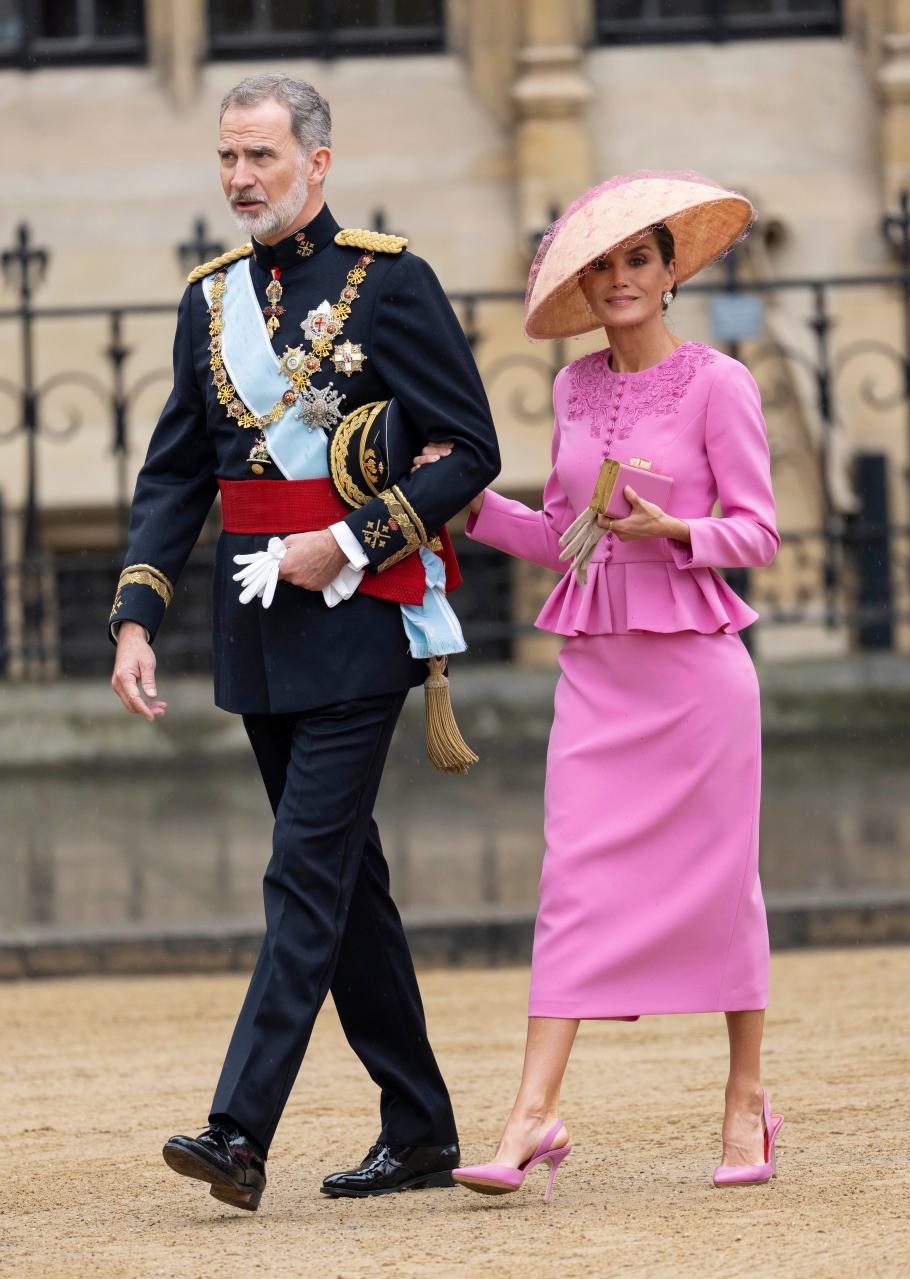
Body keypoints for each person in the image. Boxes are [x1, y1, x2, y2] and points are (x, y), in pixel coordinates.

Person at [108, 73, 499, 1210]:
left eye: (261, 159)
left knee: (300, 874)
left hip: (359, 621)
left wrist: (359, 539)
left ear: (317, 163)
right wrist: (137, 611)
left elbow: (468, 446)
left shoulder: (394, 284)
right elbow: (178, 472)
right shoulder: (210, 299)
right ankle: (420, 1127)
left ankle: (239, 1128)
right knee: (344, 884)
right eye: (227, 159)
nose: (240, 180)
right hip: (257, 631)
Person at [417, 172, 783, 1197]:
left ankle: (745, 1099)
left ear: (671, 273)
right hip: (598, 674)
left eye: (640, 259)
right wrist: (468, 500)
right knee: (571, 881)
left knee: (723, 887)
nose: (621, 278)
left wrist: (676, 531)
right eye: (605, 264)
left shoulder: (721, 382)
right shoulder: (574, 389)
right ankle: (532, 1115)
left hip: (699, 676)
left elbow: (759, 531)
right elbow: (565, 538)